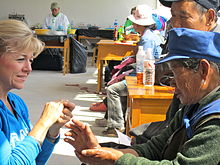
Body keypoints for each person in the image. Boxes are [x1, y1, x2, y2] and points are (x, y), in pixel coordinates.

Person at [65, 27, 220, 165]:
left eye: (175, 74)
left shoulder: (215, 124)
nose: (172, 84)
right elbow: (155, 148)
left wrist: (116, 160)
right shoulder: (194, 106)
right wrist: (100, 151)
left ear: (203, 71)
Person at [0, 19, 75, 164]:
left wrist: (50, 132)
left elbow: (35, 161)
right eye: (21, 59)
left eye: (31, 60)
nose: (29, 69)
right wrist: (43, 123)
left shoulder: (17, 103)